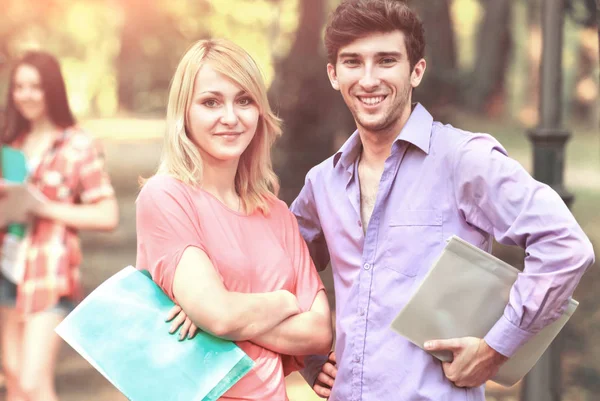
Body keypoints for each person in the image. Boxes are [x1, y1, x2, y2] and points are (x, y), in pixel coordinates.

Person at [290, 0, 596, 400]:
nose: (368, 79)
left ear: (416, 70)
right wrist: (310, 357)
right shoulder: (321, 184)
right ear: (333, 74)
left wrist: (496, 348)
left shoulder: (463, 160)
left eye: (386, 61)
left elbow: (565, 245)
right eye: (352, 62)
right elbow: (282, 268)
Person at [135, 38, 333, 401]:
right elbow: (220, 315)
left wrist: (222, 315)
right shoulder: (165, 197)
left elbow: (319, 331)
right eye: (211, 102)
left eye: (244, 100)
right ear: (185, 112)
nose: (230, 117)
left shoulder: (277, 214)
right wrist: (283, 302)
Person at [0, 51, 119, 401]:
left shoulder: (79, 144)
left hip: (50, 273)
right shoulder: (12, 144)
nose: (26, 95)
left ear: (52, 90)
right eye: (19, 86)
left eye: (35, 86)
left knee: (35, 382)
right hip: (8, 270)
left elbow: (107, 215)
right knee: (15, 380)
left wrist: (43, 207)